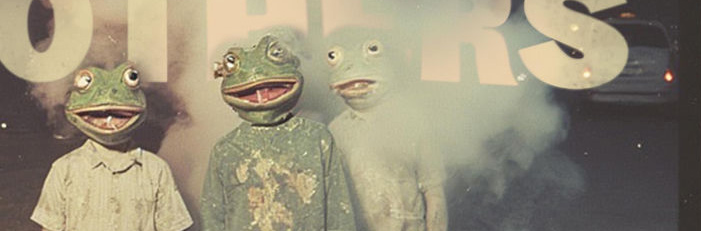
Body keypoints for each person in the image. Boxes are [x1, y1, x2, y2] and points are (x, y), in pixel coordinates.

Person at [201, 34, 356, 231]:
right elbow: (213, 218)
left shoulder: (317, 137)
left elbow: (339, 213)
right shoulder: (225, 149)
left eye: (276, 53)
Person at [31, 63, 193, 231]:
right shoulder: (64, 169)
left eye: (131, 78)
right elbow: (50, 228)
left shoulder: (155, 169)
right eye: (86, 82)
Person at [324, 26, 447, 231]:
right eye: (333, 57)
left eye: (373, 50)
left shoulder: (412, 121)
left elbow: (433, 190)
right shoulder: (336, 130)